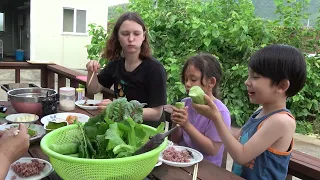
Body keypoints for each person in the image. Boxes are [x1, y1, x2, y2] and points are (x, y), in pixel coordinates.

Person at [192, 44, 307, 180]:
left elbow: (241, 156)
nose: (247, 82)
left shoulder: (282, 121)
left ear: (281, 85)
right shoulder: (261, 112)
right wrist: (213, 114)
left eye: (255, 77)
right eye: (249, 76)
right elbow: (234, 141)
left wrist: (216, 118)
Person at [86, 12, 167, 127]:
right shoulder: (116, 64)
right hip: (122, 129)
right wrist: (91, 71)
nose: (131, 39)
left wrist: (119, 110)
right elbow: (93, 89)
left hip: (147, 133)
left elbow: (156, 113)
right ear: (118, 37)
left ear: (143, 36)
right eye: (125, 33)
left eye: (136, 33)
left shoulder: (154, 69)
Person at [169, 53, 231, 166]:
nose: (187, 84)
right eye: (186, 79)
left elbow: (212, 149)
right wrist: (176, 122)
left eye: (193, 79)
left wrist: (186, 125)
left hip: (206, 168)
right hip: (183, 161)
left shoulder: (220, 112)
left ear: (211, 82)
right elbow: (175, 139)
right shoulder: (185, 103)